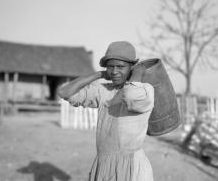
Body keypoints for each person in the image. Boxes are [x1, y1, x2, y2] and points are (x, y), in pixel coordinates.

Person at [58, 41, 155, 181]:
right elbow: (65, 92)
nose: (114, 71)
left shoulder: (144, 90)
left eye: (120, 66)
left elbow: (130, 96)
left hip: (131, 167)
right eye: (110, 67)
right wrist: (99, 75)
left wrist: (137, 73)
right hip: (104, 165)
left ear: (132, 67)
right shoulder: (104, 91)